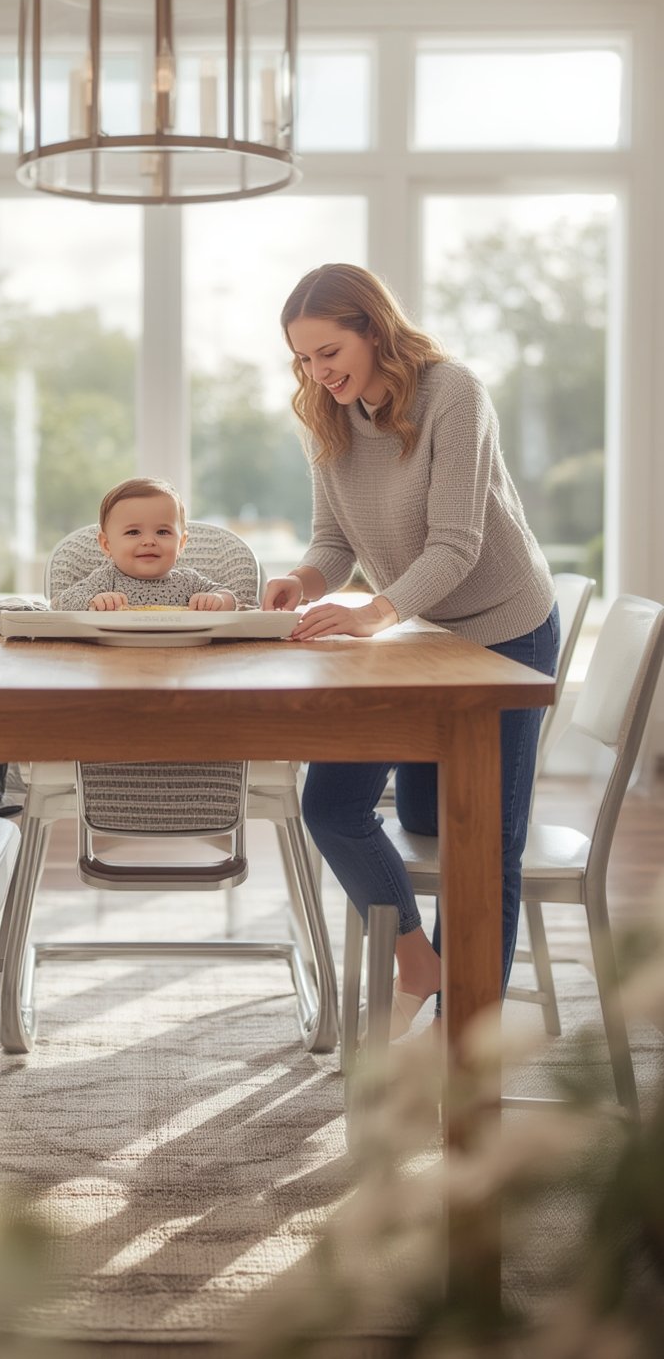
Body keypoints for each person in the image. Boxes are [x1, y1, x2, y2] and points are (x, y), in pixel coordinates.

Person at [262, 263, 559, 1036]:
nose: (317, 373)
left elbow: (456, 544)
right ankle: (417, 961)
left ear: (373, 327)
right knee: (331, 805)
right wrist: (301, 578)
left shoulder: (451, 392)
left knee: (478, 842)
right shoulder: (324, 416)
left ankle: (466, 1045)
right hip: (424, 640)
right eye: (302, 358)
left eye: (328, 352)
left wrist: (377, 613)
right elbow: (335, 540)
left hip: (503, 634)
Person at [51, 477, 239, 611]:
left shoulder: (188, 581)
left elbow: (231, 598)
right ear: (107, 545)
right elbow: (61, 602)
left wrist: (218, 600)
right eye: (133, 532)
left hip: (181, 653)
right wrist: (95, 601)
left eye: (162, 532)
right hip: (112, 654)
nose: (149, 541)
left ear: (181, 544)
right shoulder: (106, 579)